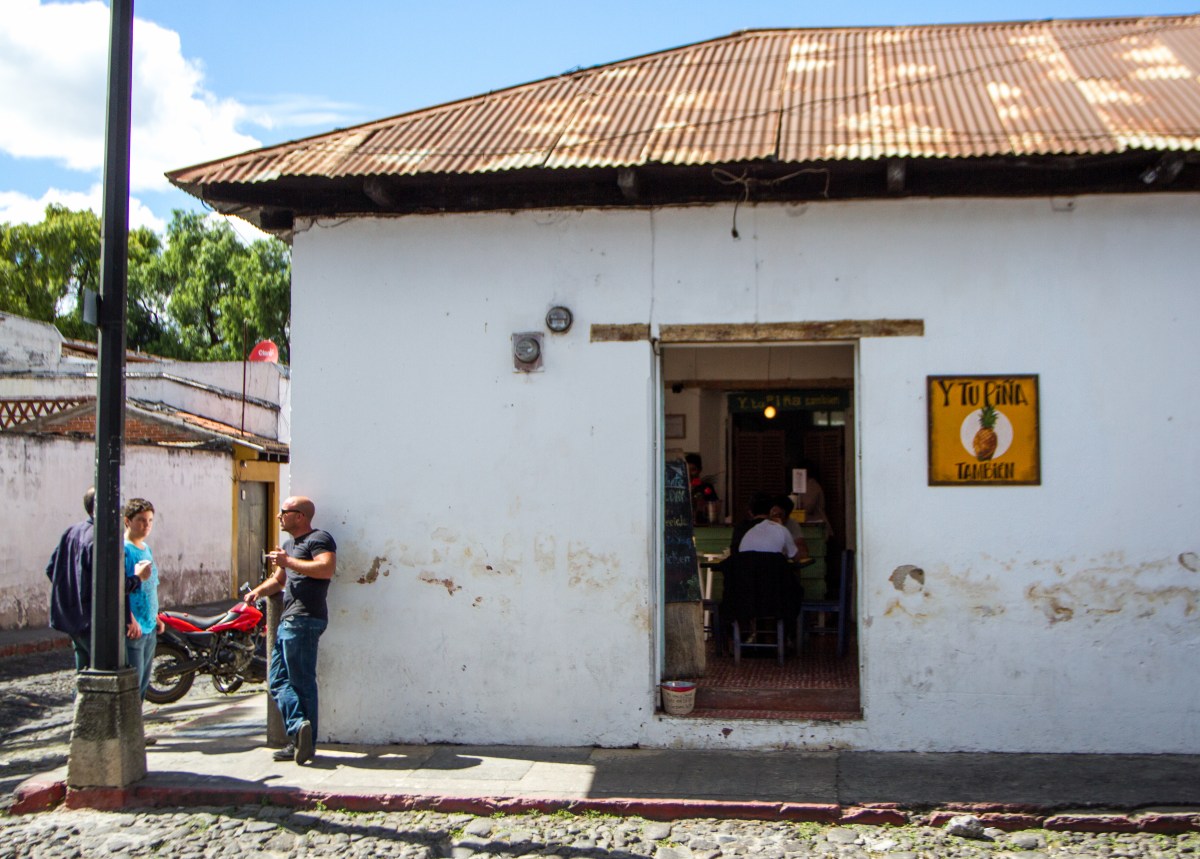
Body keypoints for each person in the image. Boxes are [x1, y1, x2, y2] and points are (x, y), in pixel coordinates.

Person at [244, 495, 337, 765]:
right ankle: (298, 730)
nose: (279, 516)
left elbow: (326, 568)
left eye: (284, 512)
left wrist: (289, 562)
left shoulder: (318, 539)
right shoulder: (288, 545)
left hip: (305, 619)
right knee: (276, 680)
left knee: (302, 681)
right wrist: (258, 593)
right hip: (288, 620)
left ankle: (302, 741)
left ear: (300, 516)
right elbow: (279, 580)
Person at [45, 488, 96, 671]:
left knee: (82, 668)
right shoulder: (97, 537)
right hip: (91, 617)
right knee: (98, 669)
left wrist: (68, 596)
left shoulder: (71, 532)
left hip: (73, 616)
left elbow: (52, 569)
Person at [123, 498, 164, 701]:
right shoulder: (125, 550)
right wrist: (129, 618)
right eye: (141, 520)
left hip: (148, 625)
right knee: (134, 682)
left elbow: (151, 586)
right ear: (127, 521)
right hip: (135, 627)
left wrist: (156, 616)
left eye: (149, 521)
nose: (146, 525)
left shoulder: (146, 548)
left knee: (143, 684)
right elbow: (122, 589)